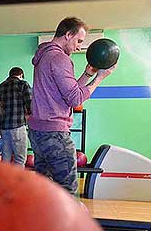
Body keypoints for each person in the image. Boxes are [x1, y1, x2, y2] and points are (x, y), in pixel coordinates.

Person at [28, 17, 117, 195]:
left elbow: (66, 92)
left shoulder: (45, 54)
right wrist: (99, 78)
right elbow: (76, 99)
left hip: (38, 131)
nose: (79, 47)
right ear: (68, 34)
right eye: (79, 41)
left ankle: (44, 222)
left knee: (44, 189)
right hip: (54, 133)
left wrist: (87, 74)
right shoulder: (60, 58)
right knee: (67, 189)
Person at [0, 67, 32, 166]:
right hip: (18, 126)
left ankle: (4, 181)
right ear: (21, 75)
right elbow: (30, 104)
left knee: (5, 159)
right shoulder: (23, 84)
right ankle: (17, 181)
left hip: (3, 128)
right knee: (20, 159)